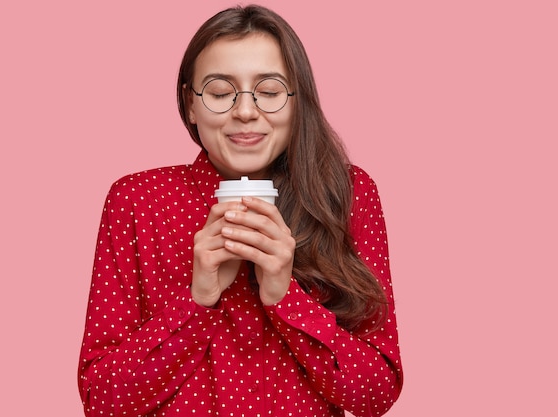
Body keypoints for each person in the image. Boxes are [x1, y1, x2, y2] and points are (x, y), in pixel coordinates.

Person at [78, 4, 403, 417]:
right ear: (191, 104)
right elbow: (102, 400)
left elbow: (377, 394)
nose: (246, 111)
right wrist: (197, 299)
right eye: (219, 92)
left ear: (297, 101)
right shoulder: (138, 201)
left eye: (268, 91)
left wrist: (285, 297)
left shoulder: (348, 193)